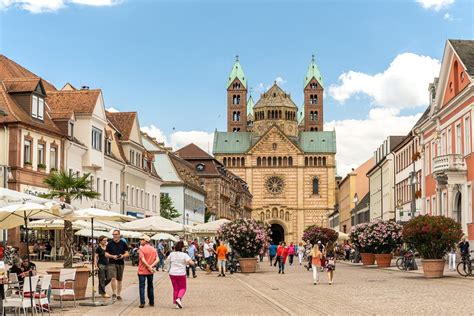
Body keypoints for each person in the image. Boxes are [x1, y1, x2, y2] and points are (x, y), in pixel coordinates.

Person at [165, 241, 195, 309]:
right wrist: (192, 263)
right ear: (182, 248)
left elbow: (167, 260)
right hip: (181, 273)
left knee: (175, 288)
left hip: (172, 273)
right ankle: (179, 298)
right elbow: (191, 262)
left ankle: (177, 303)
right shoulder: (184, 255)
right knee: (183, 288)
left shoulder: (172, 254)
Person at [105, 229, 129, 301]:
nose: (114, 236)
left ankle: (118, 294)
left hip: (121, 263)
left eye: (116, 234)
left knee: (119, 280)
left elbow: (127, 253)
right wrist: (112, 256)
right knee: (113, 278)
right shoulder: (109, 243)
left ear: (119, 235)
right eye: (113, 234)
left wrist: (122, 256)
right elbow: (106, 254)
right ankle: (114, 293)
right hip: (112, 263)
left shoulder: (123, 243)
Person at [137, 235, 159, 308]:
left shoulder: (141, 249)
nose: (140, 241)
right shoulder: (154, 249)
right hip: (150, 271)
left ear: (145, 241)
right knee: (150, 286)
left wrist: (148, 267)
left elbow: (143, 260)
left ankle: (142, 302)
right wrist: (151, 266)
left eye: (141, 239)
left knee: (142, 287)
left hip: (142, 271)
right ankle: (151, 302)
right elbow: (157, 259)